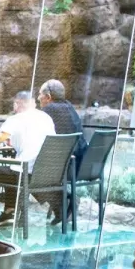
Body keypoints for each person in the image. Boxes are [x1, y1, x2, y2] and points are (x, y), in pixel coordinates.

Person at [0, 90, 55, 226]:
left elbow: (0, 137)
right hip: (44, 174)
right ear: (33, 103)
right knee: (12, 167)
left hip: (25, 175)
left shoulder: (16, 119)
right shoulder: (46, 118)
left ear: (17, 104)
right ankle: (9, 212)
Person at [37, 79, 86, 224]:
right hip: (78, 165)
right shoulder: (70, 108)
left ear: (48, 97)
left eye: (40, 94)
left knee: (29, 176)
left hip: (63, 168)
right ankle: (63, 204)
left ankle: (65, 200)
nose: (38, 98)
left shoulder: (48, 111)